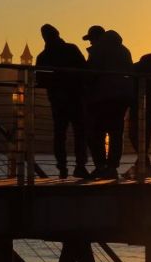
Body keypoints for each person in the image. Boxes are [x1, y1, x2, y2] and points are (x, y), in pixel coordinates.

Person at [35, 24, 89, 179]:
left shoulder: (43, 56)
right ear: (58, 33)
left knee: (60, 134)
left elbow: (41, 80)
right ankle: (80, 166)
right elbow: (84, 69)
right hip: (76, 97)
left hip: (57, 99)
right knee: (80, 132)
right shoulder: (71, 49)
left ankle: (62, 168)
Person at [85, 30, 134, 180]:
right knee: (116, 133)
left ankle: (100, 166)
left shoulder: (99, 50)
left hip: (102, 96)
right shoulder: (124, 50)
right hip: (121, 97)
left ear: (97, 38)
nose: (90, 43)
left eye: (91, 39)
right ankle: (112, 167)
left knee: (96, 133)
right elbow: (130, 71)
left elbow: (91, 72)